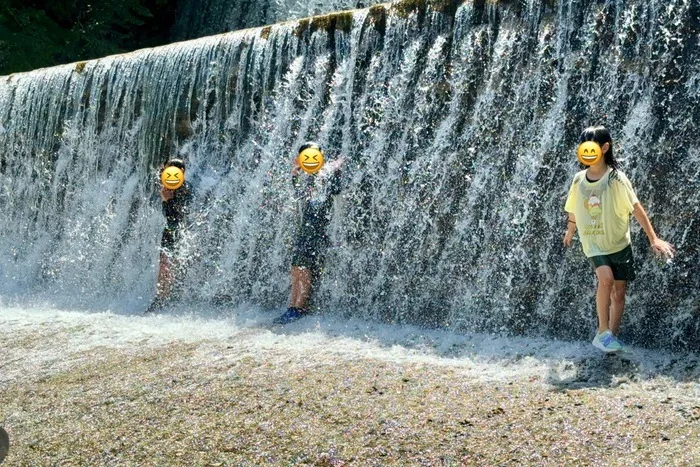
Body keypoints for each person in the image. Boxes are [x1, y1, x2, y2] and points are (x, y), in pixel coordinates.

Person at [563, 126, 675, 352]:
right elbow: (573, 208)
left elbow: (636, 207)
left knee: (619, 292)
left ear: (604, 148)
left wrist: (653, 238)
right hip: (593, 241)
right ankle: (602, 331)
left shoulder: (616, 178)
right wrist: (570, 231)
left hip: (619, 242)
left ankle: (611, 337)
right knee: (605, 279)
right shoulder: (578, 180)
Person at [273, 142, 345, 324]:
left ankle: (299, 307)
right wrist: (295, 173)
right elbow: (299, 195)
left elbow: (336, 191)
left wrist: (336, 168)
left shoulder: (326, 173)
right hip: (305, 229)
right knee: (296, 269)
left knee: (304, 269)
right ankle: (292, 306)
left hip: (317, 230)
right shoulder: (308, 177)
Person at [146, 158, 194, 313]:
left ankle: (164, 299)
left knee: (168, 265)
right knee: (165, 265)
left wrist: (168, 201)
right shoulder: (171, 186)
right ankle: (162, 298)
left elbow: (175, 216)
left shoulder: (184, 189)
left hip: (179, 230)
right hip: (171, 230)